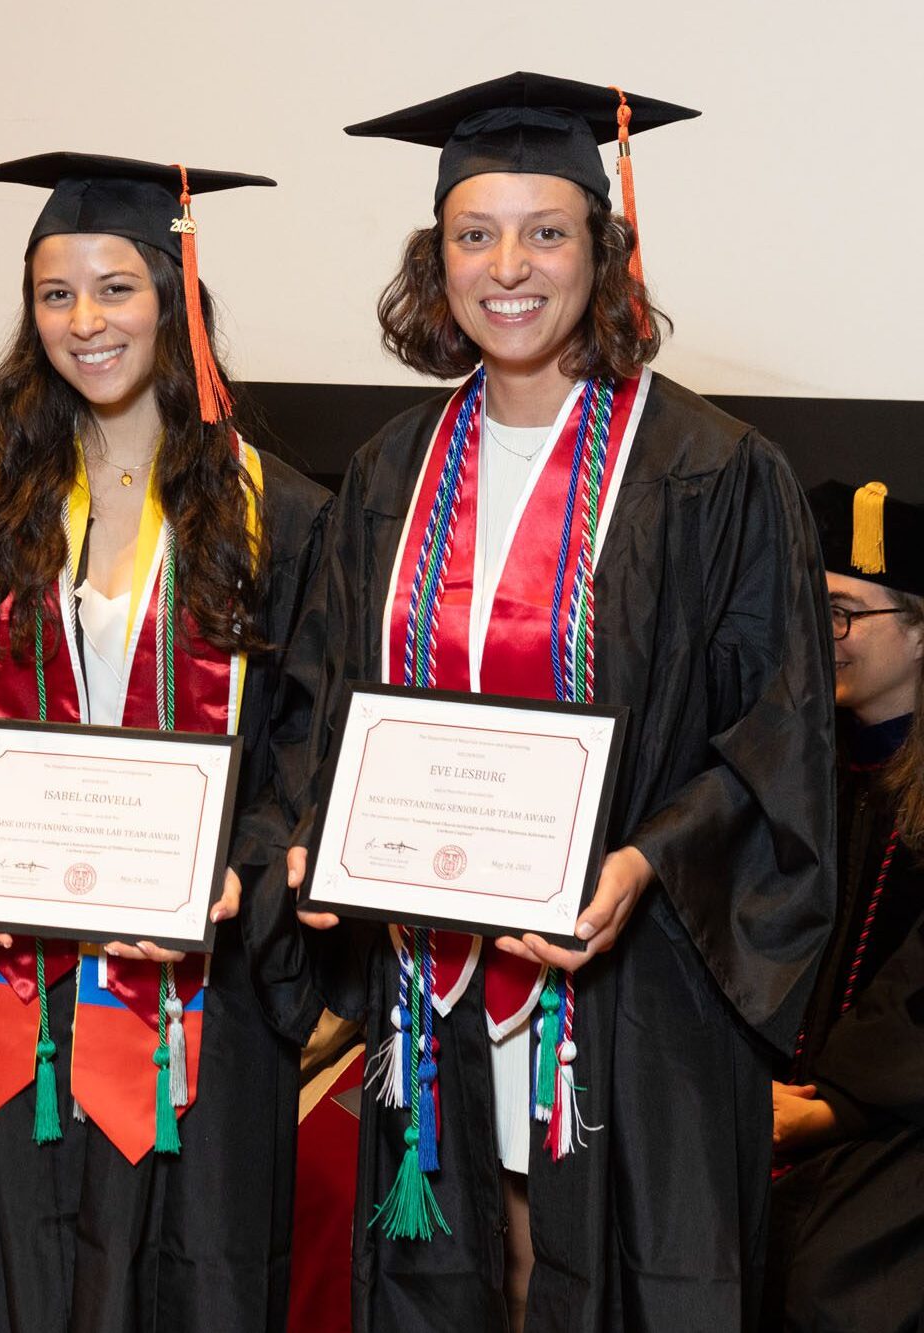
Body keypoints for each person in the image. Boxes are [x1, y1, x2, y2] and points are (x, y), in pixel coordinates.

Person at [278, 73, 833, 1331]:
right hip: (433, 974)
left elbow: (775, 733)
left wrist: (643, 861)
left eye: (545, 232)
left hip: (632, 983)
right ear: (439, 261)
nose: (507, 267)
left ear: (601, 246)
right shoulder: (390, 470)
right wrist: (318, 830)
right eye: (475, 235)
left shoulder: (710, 472)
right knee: (465, 1274)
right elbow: (324, 698)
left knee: (615, 1275)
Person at [0, 152, 333, 1332]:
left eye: (114, 287)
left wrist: (245, 868)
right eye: (54, 293)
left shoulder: (289, 512)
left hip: (192, 1000)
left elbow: (310, 749)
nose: (84, 321)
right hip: (1, 977)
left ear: (174, 302)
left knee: (187, 1266)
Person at [762, 480, 924, 1332]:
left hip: (897, 1115)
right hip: (783, 1098)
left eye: (844, 612)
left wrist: (834, 1105)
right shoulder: (802, 774)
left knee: (832, 1278)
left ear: (922, 629)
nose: (823, 636)